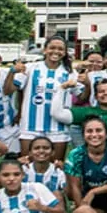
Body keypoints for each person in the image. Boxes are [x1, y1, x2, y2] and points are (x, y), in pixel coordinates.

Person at [14, 35, 73, 163]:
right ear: (44, 50)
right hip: (30, 125)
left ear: (64, 52)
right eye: (52, 48)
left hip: (58, 127)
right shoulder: (30, 68)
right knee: (27, 164)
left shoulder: (70, 72)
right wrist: (12, 71)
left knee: (55, 166)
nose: (56, 51)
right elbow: (12, 89)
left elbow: (82, 95)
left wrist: (86, 83)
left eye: (60, 49)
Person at [64, 117, 107, 212]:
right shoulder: (76, 154)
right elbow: (75, 186)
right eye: (89, 131)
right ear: (83, 135)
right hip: (90, 196)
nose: (94, 135)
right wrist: (81, 209)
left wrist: (94, 192)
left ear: (106, 134)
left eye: (99, 130)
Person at [51, 75, 107, 144]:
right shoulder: (87, 112)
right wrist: (62, 89)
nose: (106, 93)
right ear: (95, 96)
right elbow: (57, 113)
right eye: (101, 91)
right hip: (100, 156)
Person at [19, 135, 68, 200]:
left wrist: (67, 172)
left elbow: (68, 194)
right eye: (37, 148)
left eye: (46, 148)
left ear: (53, 152)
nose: (41, 151)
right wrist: (15, 164)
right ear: (30, 153)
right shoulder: (23, 170)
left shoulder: (58, 172)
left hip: (51, 207)